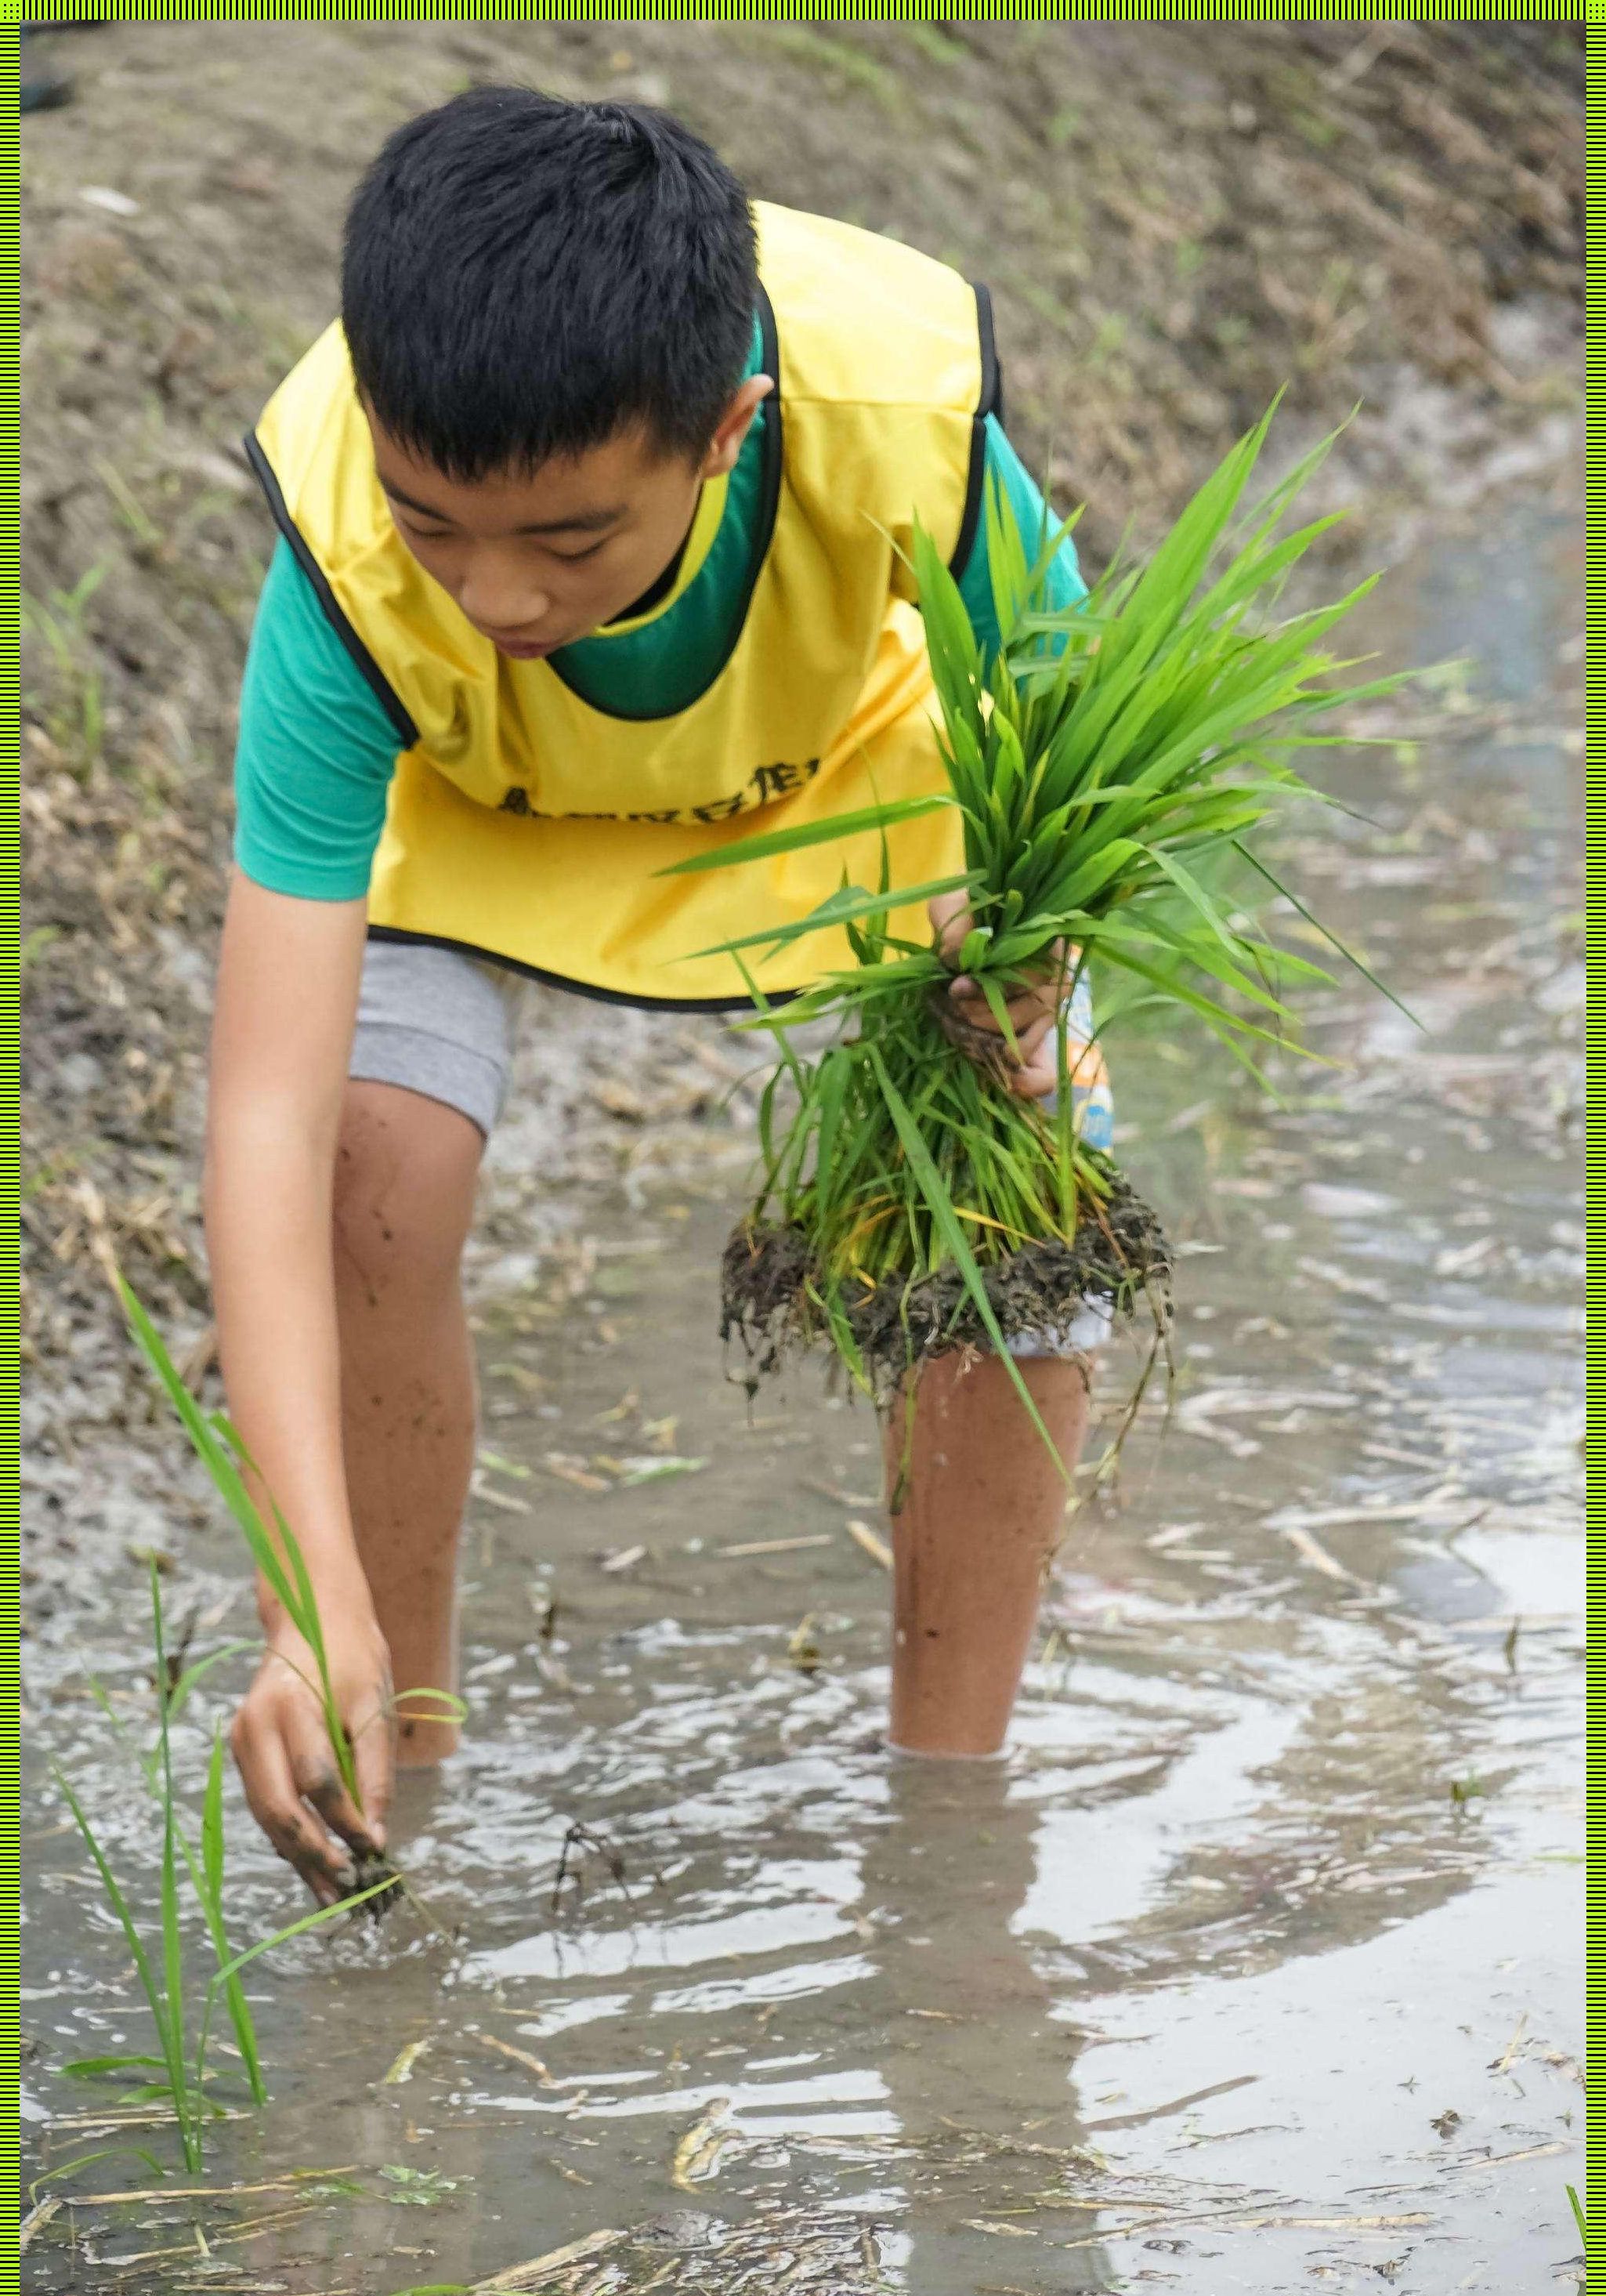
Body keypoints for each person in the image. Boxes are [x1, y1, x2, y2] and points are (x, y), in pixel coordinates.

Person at [213, 87, 1113, 1907]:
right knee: (368, 1167)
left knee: (1010, 1192)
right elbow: (264, 1106)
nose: (492, 591)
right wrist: (303, 1600)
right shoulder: (345, 546)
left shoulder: (895, 414)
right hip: (473, 814)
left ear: (724, 434)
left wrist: (1024, 956)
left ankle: (947, 1838)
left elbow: (1077, 763)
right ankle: (394, 1756)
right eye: (433, 521)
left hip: (844, 792)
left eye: (568, 542)